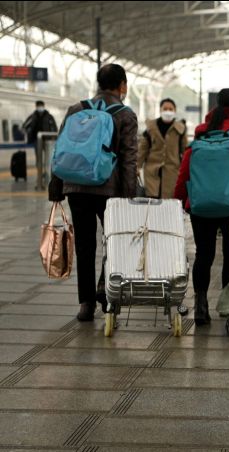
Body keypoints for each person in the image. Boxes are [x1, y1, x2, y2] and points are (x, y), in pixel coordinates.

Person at [47, 64, 138, 322]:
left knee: (85, 246)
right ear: (122, 85)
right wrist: (130, 197)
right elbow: (129, 159)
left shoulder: (77, 109)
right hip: (109, 190)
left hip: (76, 187)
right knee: (115, 243)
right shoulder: (125, 114)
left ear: (99, 84)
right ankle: (103, 288)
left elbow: (61, 149)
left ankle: (85, 304)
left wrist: (57, 185)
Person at [174, 88, 229, 326]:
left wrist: (181, 197)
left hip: (200, 202)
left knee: (204, 254)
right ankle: (228, 304)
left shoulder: (203, 131)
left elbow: (186, 167)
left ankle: (201, 305)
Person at [137, 98, 188, 199]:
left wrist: (186, 169)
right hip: (152, 171)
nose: (168, 111)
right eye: (165, 108)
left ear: (175, 110)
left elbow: (185, 151)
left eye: (170, 109)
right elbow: (143, 149)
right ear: (160, 110)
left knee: (169, 202)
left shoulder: (180, 129)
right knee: (152, 201)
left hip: (172, 172)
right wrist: (137, 165)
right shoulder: (151, 128)